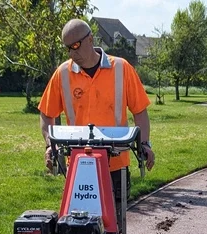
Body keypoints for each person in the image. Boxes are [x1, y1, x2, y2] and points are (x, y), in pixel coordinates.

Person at [38, 18, 155, 205]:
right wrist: (49, 145)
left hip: (116, 163)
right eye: (67, 48)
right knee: (78, 226)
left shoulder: (121, 68)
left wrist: (145, 144)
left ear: (91, 39)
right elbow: (47, 113)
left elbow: (140, 111)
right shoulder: (63, 73)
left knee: (113, 226)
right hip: (78, 163)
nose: (72, 52)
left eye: (76, 45)